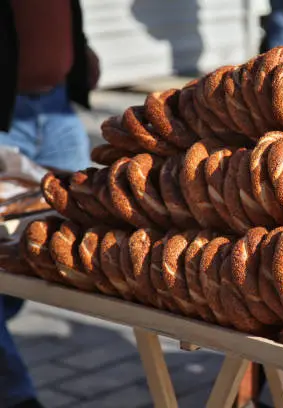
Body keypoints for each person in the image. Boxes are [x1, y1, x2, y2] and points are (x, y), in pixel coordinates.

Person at [0, 1, 99, 407]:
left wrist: (80, 50)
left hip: (58, 112)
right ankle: (15, 394)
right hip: (7, 116)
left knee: (70, 241)